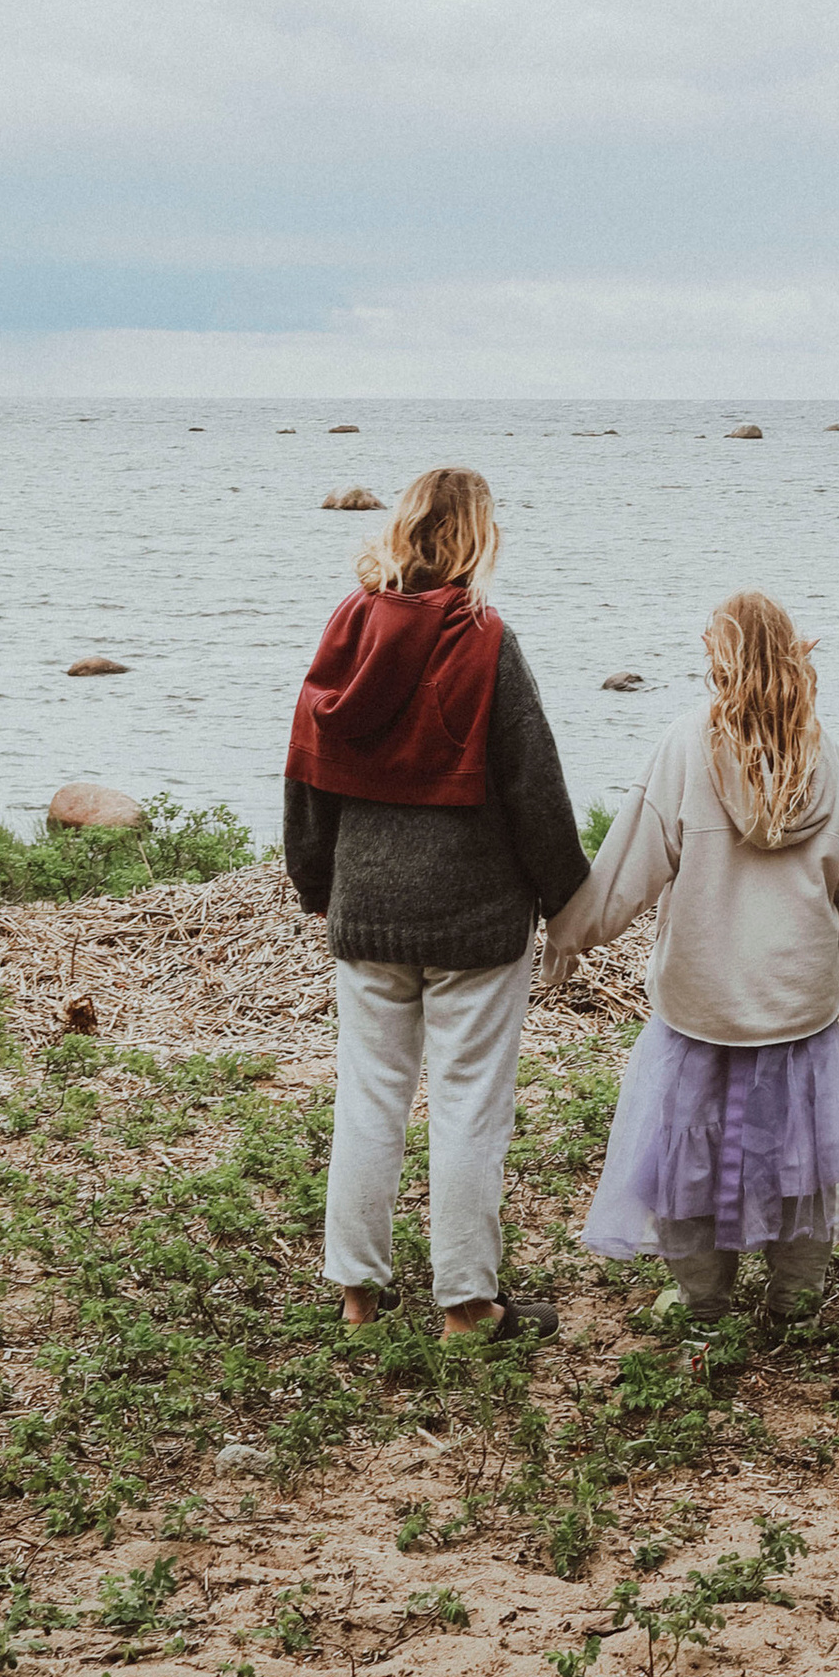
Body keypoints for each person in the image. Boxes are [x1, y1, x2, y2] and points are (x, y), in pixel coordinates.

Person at [285, 463, 585, 1339]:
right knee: (467, 1108)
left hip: (367, 909)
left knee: (368, 1098)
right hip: (474, 920)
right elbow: (536, 788)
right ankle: (464, 1306)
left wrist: (317, 880)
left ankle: (358, 1300)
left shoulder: (347, 631)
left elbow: (306, 767)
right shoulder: (486, 639)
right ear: (478, 538)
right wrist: (568, 896)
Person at [544, 589, 839, 1322]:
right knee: (800, 1159)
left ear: (719, 660)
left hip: (700, 1005)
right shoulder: (831, 760)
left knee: (687, 1157)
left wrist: (565, 933)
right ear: (796, 659)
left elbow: (626, 869)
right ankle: (795, 1297)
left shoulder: (684, 746)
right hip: (797, 1006)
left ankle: (703, 1299)